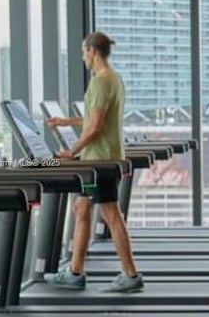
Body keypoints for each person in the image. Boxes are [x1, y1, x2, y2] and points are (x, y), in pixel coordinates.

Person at [45, 31, 143, 293]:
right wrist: (65, 122)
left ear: (91, 51)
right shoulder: (114, 79)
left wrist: (72, 150)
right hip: (102, 156)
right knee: (81, 208)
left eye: (83, 52)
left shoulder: (100, 82)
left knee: (111, 214)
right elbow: (96, 118)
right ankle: (75, 271)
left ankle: (131, 274)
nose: (82, 58)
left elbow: (96, 126)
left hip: (98, 160)